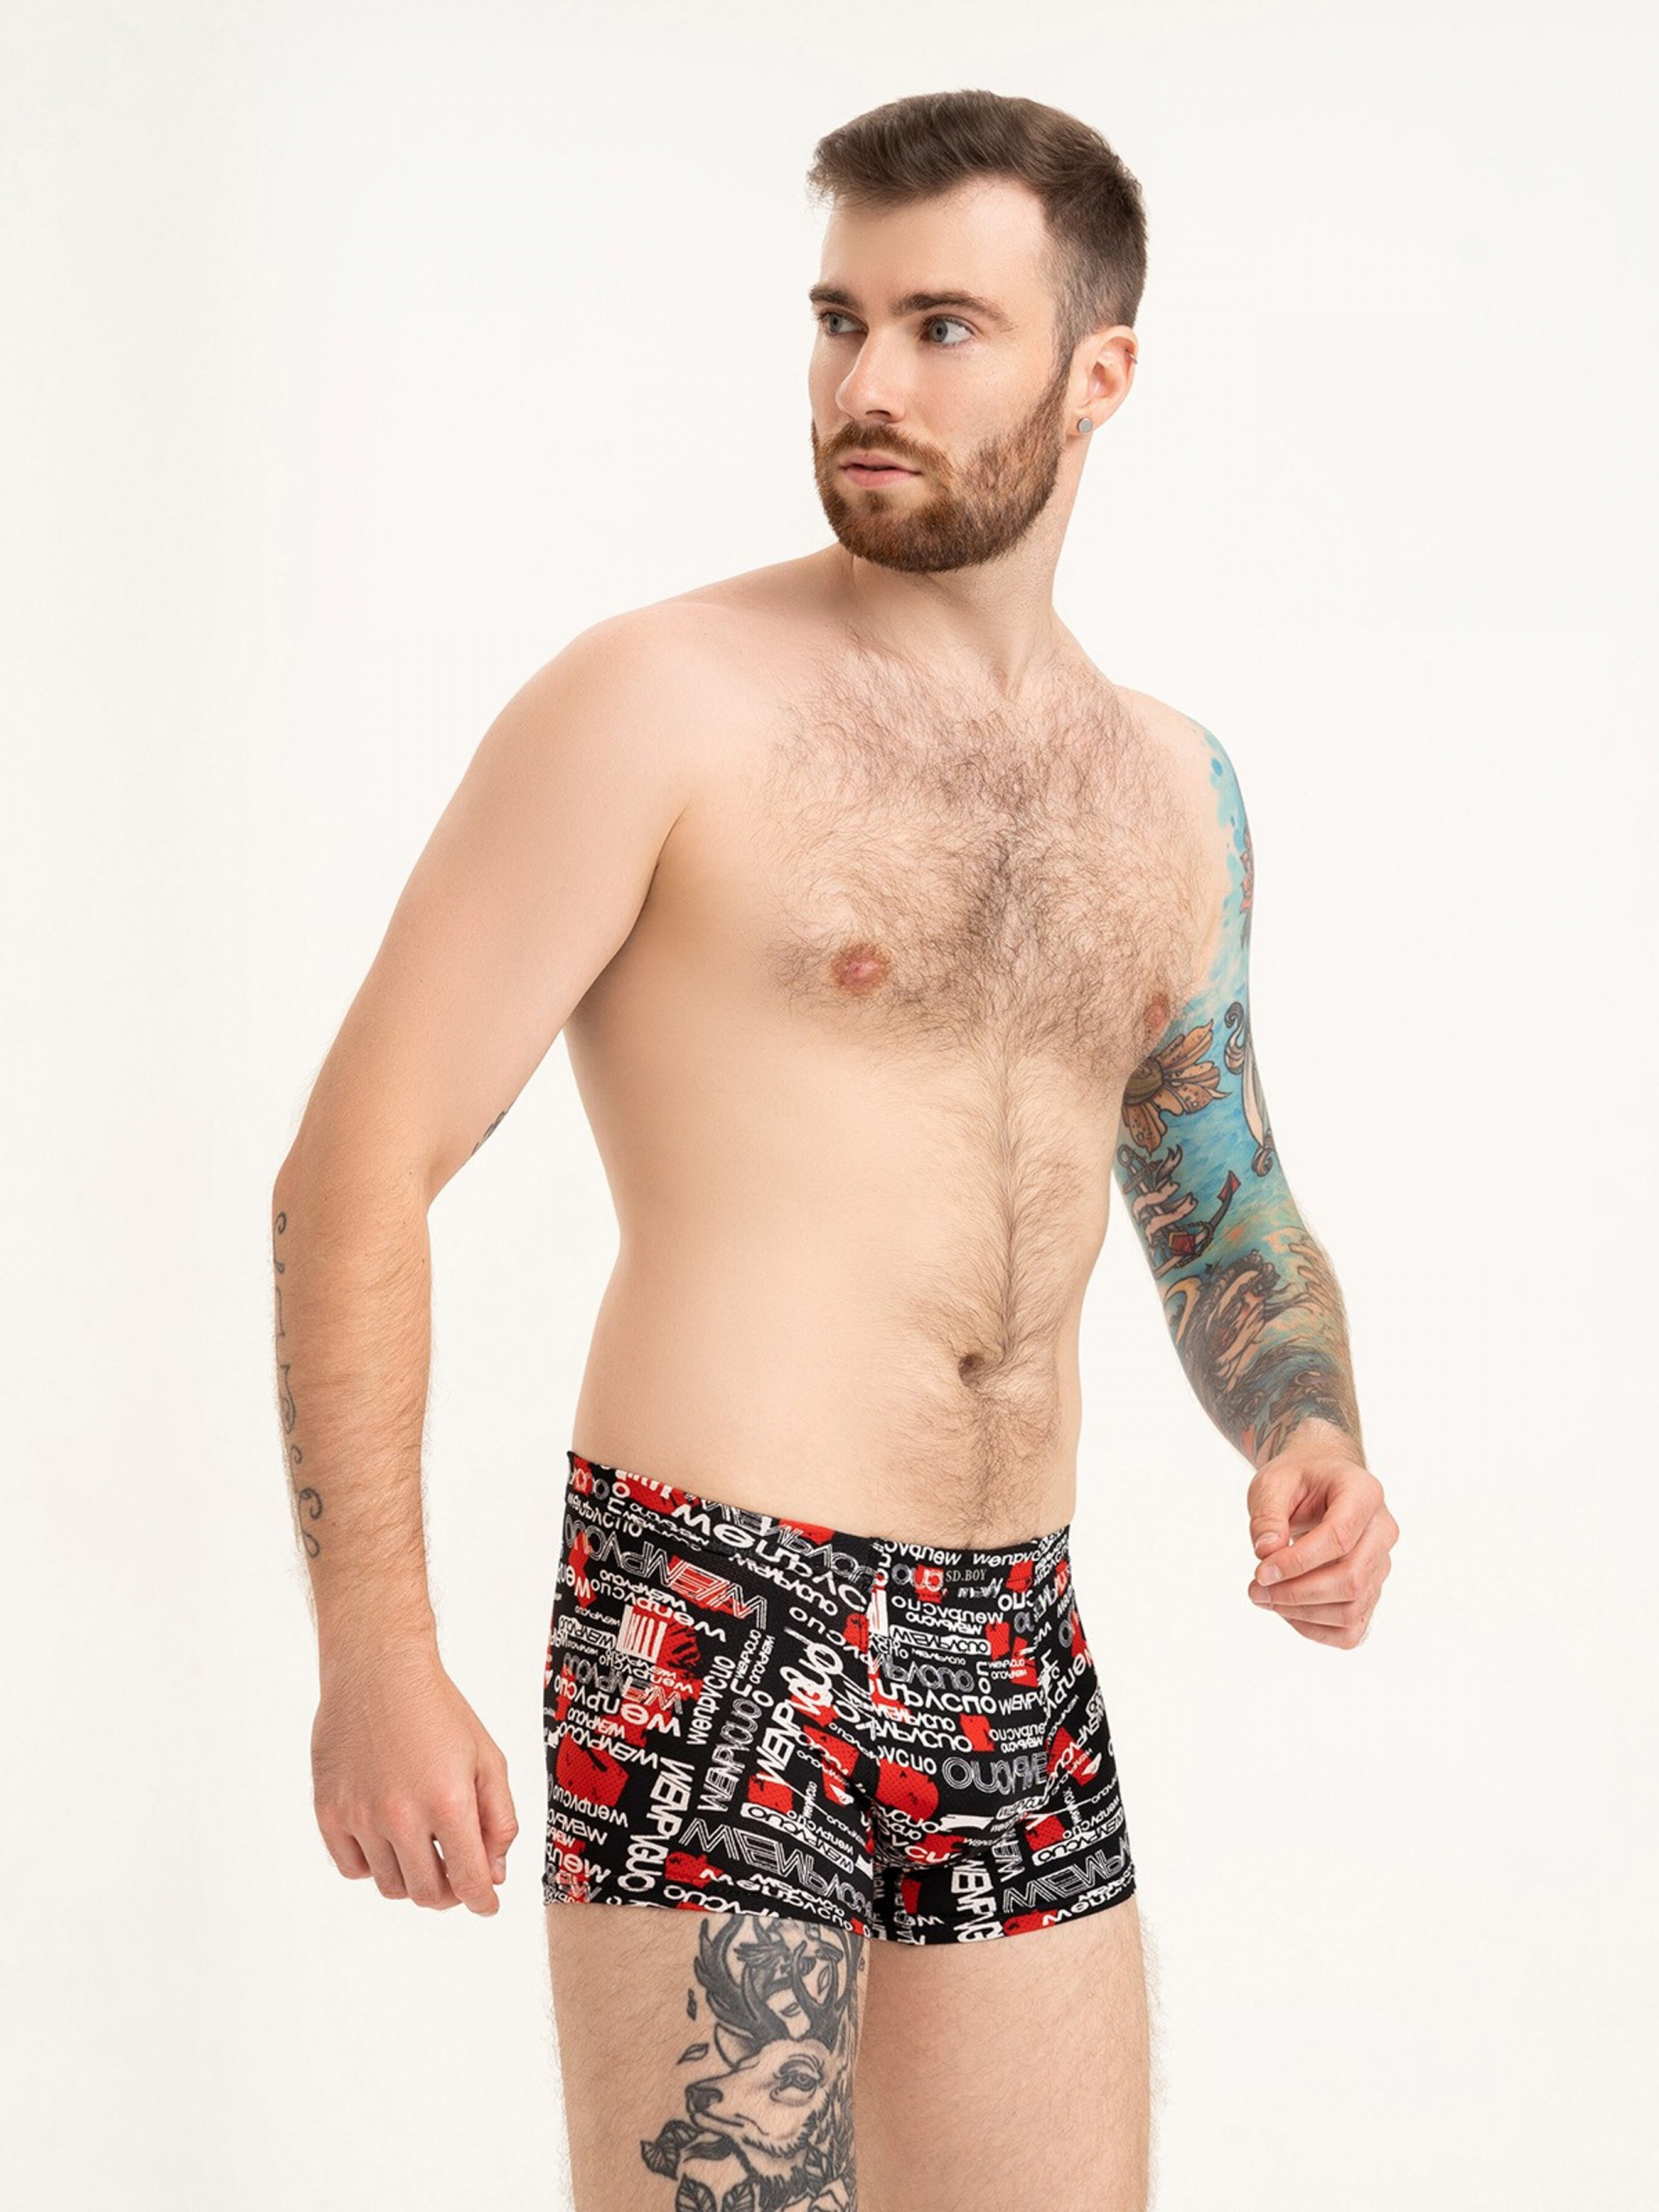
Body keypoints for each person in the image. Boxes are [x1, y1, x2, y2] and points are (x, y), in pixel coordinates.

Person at [271, 87, 1399, 2212]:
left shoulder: (1172, 789)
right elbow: (354, 1166)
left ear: (1098, 371)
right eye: (838, 319)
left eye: (943, 327)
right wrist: (374, 1654)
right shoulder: (656, 700)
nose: (867, 382)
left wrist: (1306, 1418)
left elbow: (1215, 1184)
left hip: (1014, 1640)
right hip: (717, 1613)